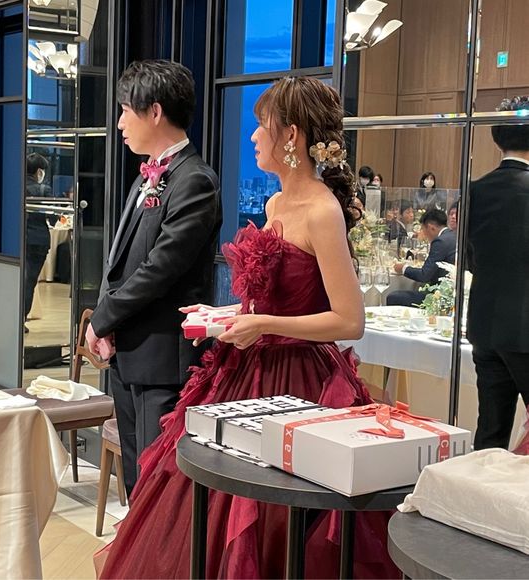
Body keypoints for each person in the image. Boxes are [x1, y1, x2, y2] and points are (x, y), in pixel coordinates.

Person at [95, 77, 398, 579]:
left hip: (299, 381)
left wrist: (262, 322)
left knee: (270, 514)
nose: (254, 136)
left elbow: (349, 320)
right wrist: (232, 314)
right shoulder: (276, 204)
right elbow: (277, 298)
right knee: (195, 498)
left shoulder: (322, 210)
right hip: (245, 369)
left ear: (291, 135)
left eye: (262, 125)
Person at [86, 60, 222, 496]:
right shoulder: (150, 174)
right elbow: (120, 262)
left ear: (155, 111)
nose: (120, 123)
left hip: (163, 361)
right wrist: (108, 324)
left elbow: (159, 270)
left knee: (157, 488)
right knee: (135, 482)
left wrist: (102, 319)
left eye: (126, 110)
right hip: (130, 354)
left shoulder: (194, 181)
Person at [467, 96, 529, 451]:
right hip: (525, 326)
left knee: (490, 429)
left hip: (485, 324)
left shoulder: (475, 190)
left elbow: (469, 259)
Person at [387, 208, 456, 307]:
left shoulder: (440, 242)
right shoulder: (452, 236)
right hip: (450, 292)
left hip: (440, 297)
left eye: (423, 229)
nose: (423, 234)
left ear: (431, 227)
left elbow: (424, 275)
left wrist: (403, 268)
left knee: (393, 297)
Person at [24, 153, 54, 327]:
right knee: (30, 282)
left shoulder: (18, 186)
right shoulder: (44, 190)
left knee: (20, 279)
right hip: (38, 240)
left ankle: (15, 317)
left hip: (22, 239)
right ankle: (22, 318)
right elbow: (53, 218)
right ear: (39, 171)